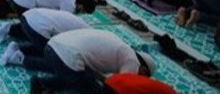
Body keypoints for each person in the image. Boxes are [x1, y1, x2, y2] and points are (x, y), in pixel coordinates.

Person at [27, 28, 156, 93]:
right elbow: (120, 89)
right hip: (66, 56)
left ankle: (41, 83)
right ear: (143, 69)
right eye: (143, 77)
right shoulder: (133, 62)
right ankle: (43, 85)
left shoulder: (120, 48)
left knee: (79, 79)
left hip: (52, 48)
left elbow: (94, 74)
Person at [0, 8, 89, 66]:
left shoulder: (84, 27)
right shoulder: (84, 35)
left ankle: (17, 45)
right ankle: (20, 59)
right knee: (54, 59)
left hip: (27, 16)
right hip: (36, 27)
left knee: (50, 47)